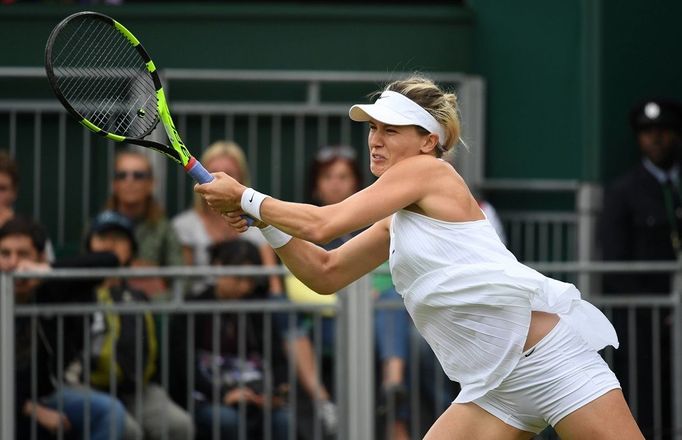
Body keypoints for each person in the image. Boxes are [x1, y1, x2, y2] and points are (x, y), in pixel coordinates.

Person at [196, 75, 644, 439]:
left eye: (390, 130)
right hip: (491, 391)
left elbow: (322, 224)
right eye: (372, 128)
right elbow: (325, 272)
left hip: (549, 361)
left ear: (429, 141)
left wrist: (245, 197)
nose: (375, 140)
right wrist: (266, 224)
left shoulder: (429, 173)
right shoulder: (397, 218)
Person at [1, 215, 127, 440]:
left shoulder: (49, 288)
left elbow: (110, 260)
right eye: (5, 254)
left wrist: (48, 270)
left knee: (110, 412)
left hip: (47, 392)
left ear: (38, 257)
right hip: (9, 398)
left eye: (23, 254)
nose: (13, 263)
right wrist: (30, 408)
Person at [599, 98, 682, 437]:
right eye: (647, 132)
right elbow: (615, 262)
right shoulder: (624, 191)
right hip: (646, 321)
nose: (656, 139)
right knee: (646, 401)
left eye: (663, 130)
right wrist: (658, 311)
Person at [83, 210, 195, 440]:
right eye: (103, 238)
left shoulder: (138, 295)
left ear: (131, 249)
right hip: (87, 385)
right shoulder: (75, 291)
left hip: (137, 388)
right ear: (90, 244)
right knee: (127, 430)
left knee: (178, 425)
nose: (110, 246)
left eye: (119, 239)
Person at [170, 239, 290, 439]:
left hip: (255, 394)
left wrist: (278, 392)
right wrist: (223, 394)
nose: (244, 287)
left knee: (283, 420)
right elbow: (183, 367)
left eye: (250, 281)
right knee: (227, 421)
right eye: (238, 278)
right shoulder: (192, 307)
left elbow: (277, 356)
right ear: (219, 267)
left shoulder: (257, 308)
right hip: (207, 395)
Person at [172, 140, 283, 296]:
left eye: (229, 174)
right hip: (200, 310)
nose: (218, 181)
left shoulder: (260, 224)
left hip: (250, 309)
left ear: (242, 181)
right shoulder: (184, 225)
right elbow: (182, 287)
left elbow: (274, 285)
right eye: (212, 173)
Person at [103, 148, 183, 297]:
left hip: (154, 310)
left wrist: (158, 289)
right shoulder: (98, 228)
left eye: (138, 176)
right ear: (114, 184)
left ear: (151, 184)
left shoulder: (164, 228)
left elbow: (180, 278)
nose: (129, 181)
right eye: (122, 175)